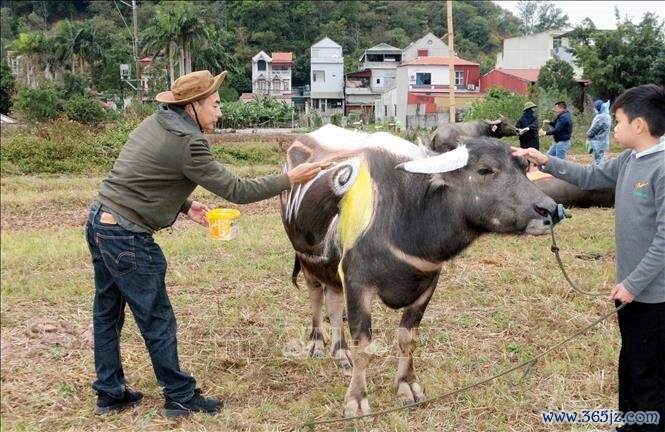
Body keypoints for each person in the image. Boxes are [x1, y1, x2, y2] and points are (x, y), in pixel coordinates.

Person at [85, 70, 327, 418]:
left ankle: (109, 392)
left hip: (100, 221)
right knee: (157, 319)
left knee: (107, 313)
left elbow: (138, 175)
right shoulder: (190, 142)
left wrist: (184, 205)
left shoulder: (154, 123)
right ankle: (180, 397)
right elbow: (238, 191)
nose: (220, 112)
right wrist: (290, 178)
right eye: (214, 105)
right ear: (192, 106)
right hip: (127, 235)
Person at [514, 84, 665, 432]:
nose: (614, 127)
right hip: (631, 290)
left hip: (652, 295)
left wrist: (633, 285)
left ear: (639, 125)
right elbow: (589, 176)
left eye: (619, 120)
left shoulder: (659, 169)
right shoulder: (630, 159)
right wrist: (545, 160)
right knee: (630, 362)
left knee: (648, 372)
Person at [587, 99, 612, 165]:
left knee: (598, 160)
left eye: (595, 108)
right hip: (604, 141)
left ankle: (599, 174)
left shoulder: (601, 117)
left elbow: (595, 128)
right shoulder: (607, 116)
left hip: (598, 141)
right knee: (601, 157)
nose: (595, 109)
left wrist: (588, 135)